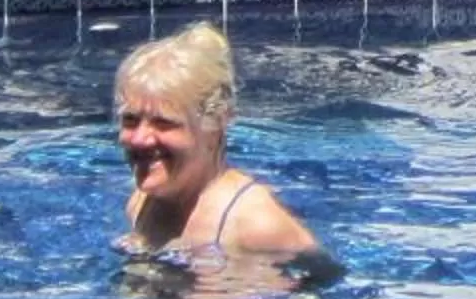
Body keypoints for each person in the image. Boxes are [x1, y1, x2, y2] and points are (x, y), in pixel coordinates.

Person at [115, 23, 321, 271]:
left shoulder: (256, 226)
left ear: (215, 125)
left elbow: (324, 288)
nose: (140, 139)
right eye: (130, 120)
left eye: (164, 123)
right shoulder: (140, 203)